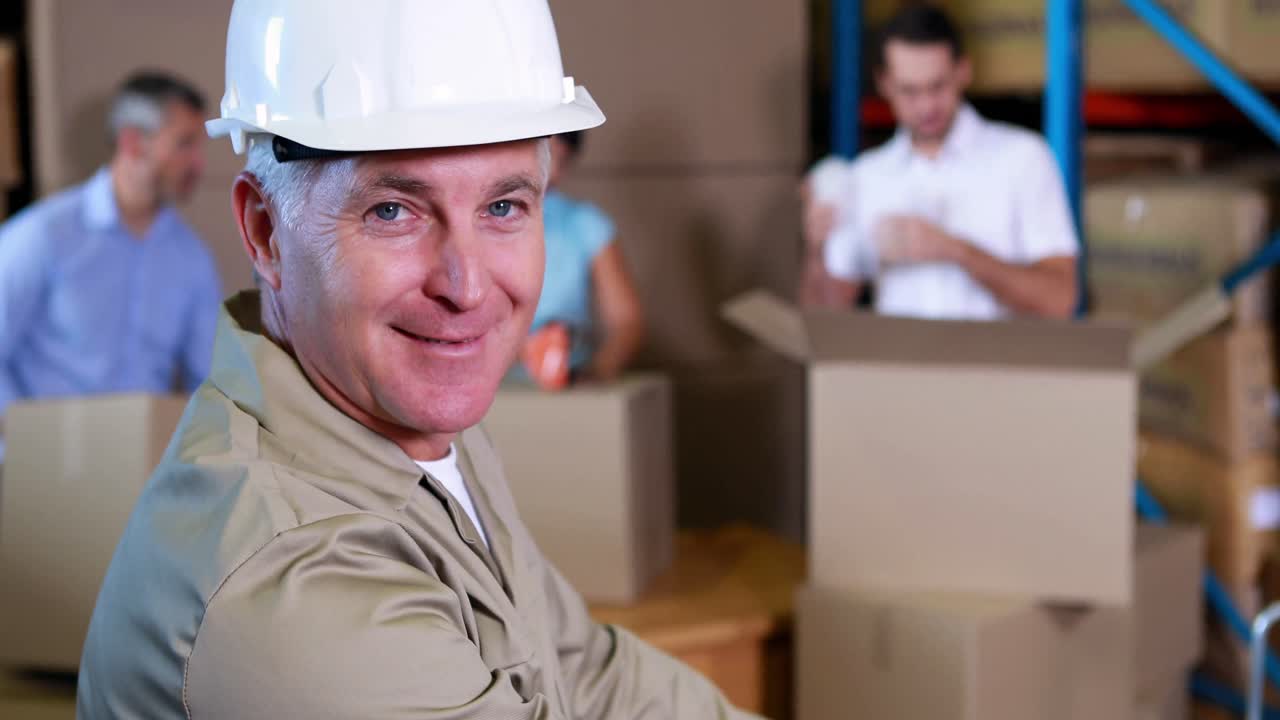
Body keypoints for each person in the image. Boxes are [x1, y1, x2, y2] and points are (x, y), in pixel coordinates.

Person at [77, 2, 760, 718]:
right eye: (392, 212)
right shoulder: (296, 596)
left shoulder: (417, 429)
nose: (466, 289)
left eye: (503, 207)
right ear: (265, 231)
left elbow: (581, 671)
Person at [807, 4, 1079, 320]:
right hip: (899, 366)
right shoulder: (867, 176)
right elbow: (824, 317)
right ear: (884, 84)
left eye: (937, 87)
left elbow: (1060, 300)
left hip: (997, 366)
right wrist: (817, 249)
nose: (926, 107)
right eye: (909, 91)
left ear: (963, 71)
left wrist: (954, 251)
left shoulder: (1023, 159)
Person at [0, 71, 220, 453]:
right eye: (185, 144)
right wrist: (20, 444)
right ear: (134, 142)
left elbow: (212, 380)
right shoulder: (42, 236)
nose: (198, 163)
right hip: (44, 468)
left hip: (145, 473)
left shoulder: (192, 258)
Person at [521, 131, 644, 385]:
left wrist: (596, 373)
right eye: (540, 152)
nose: (549, 167)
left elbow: (626, 321)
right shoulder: (481, 216)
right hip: (486, 380)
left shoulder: (584, 224)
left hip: (563, 378)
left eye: (558, 157)